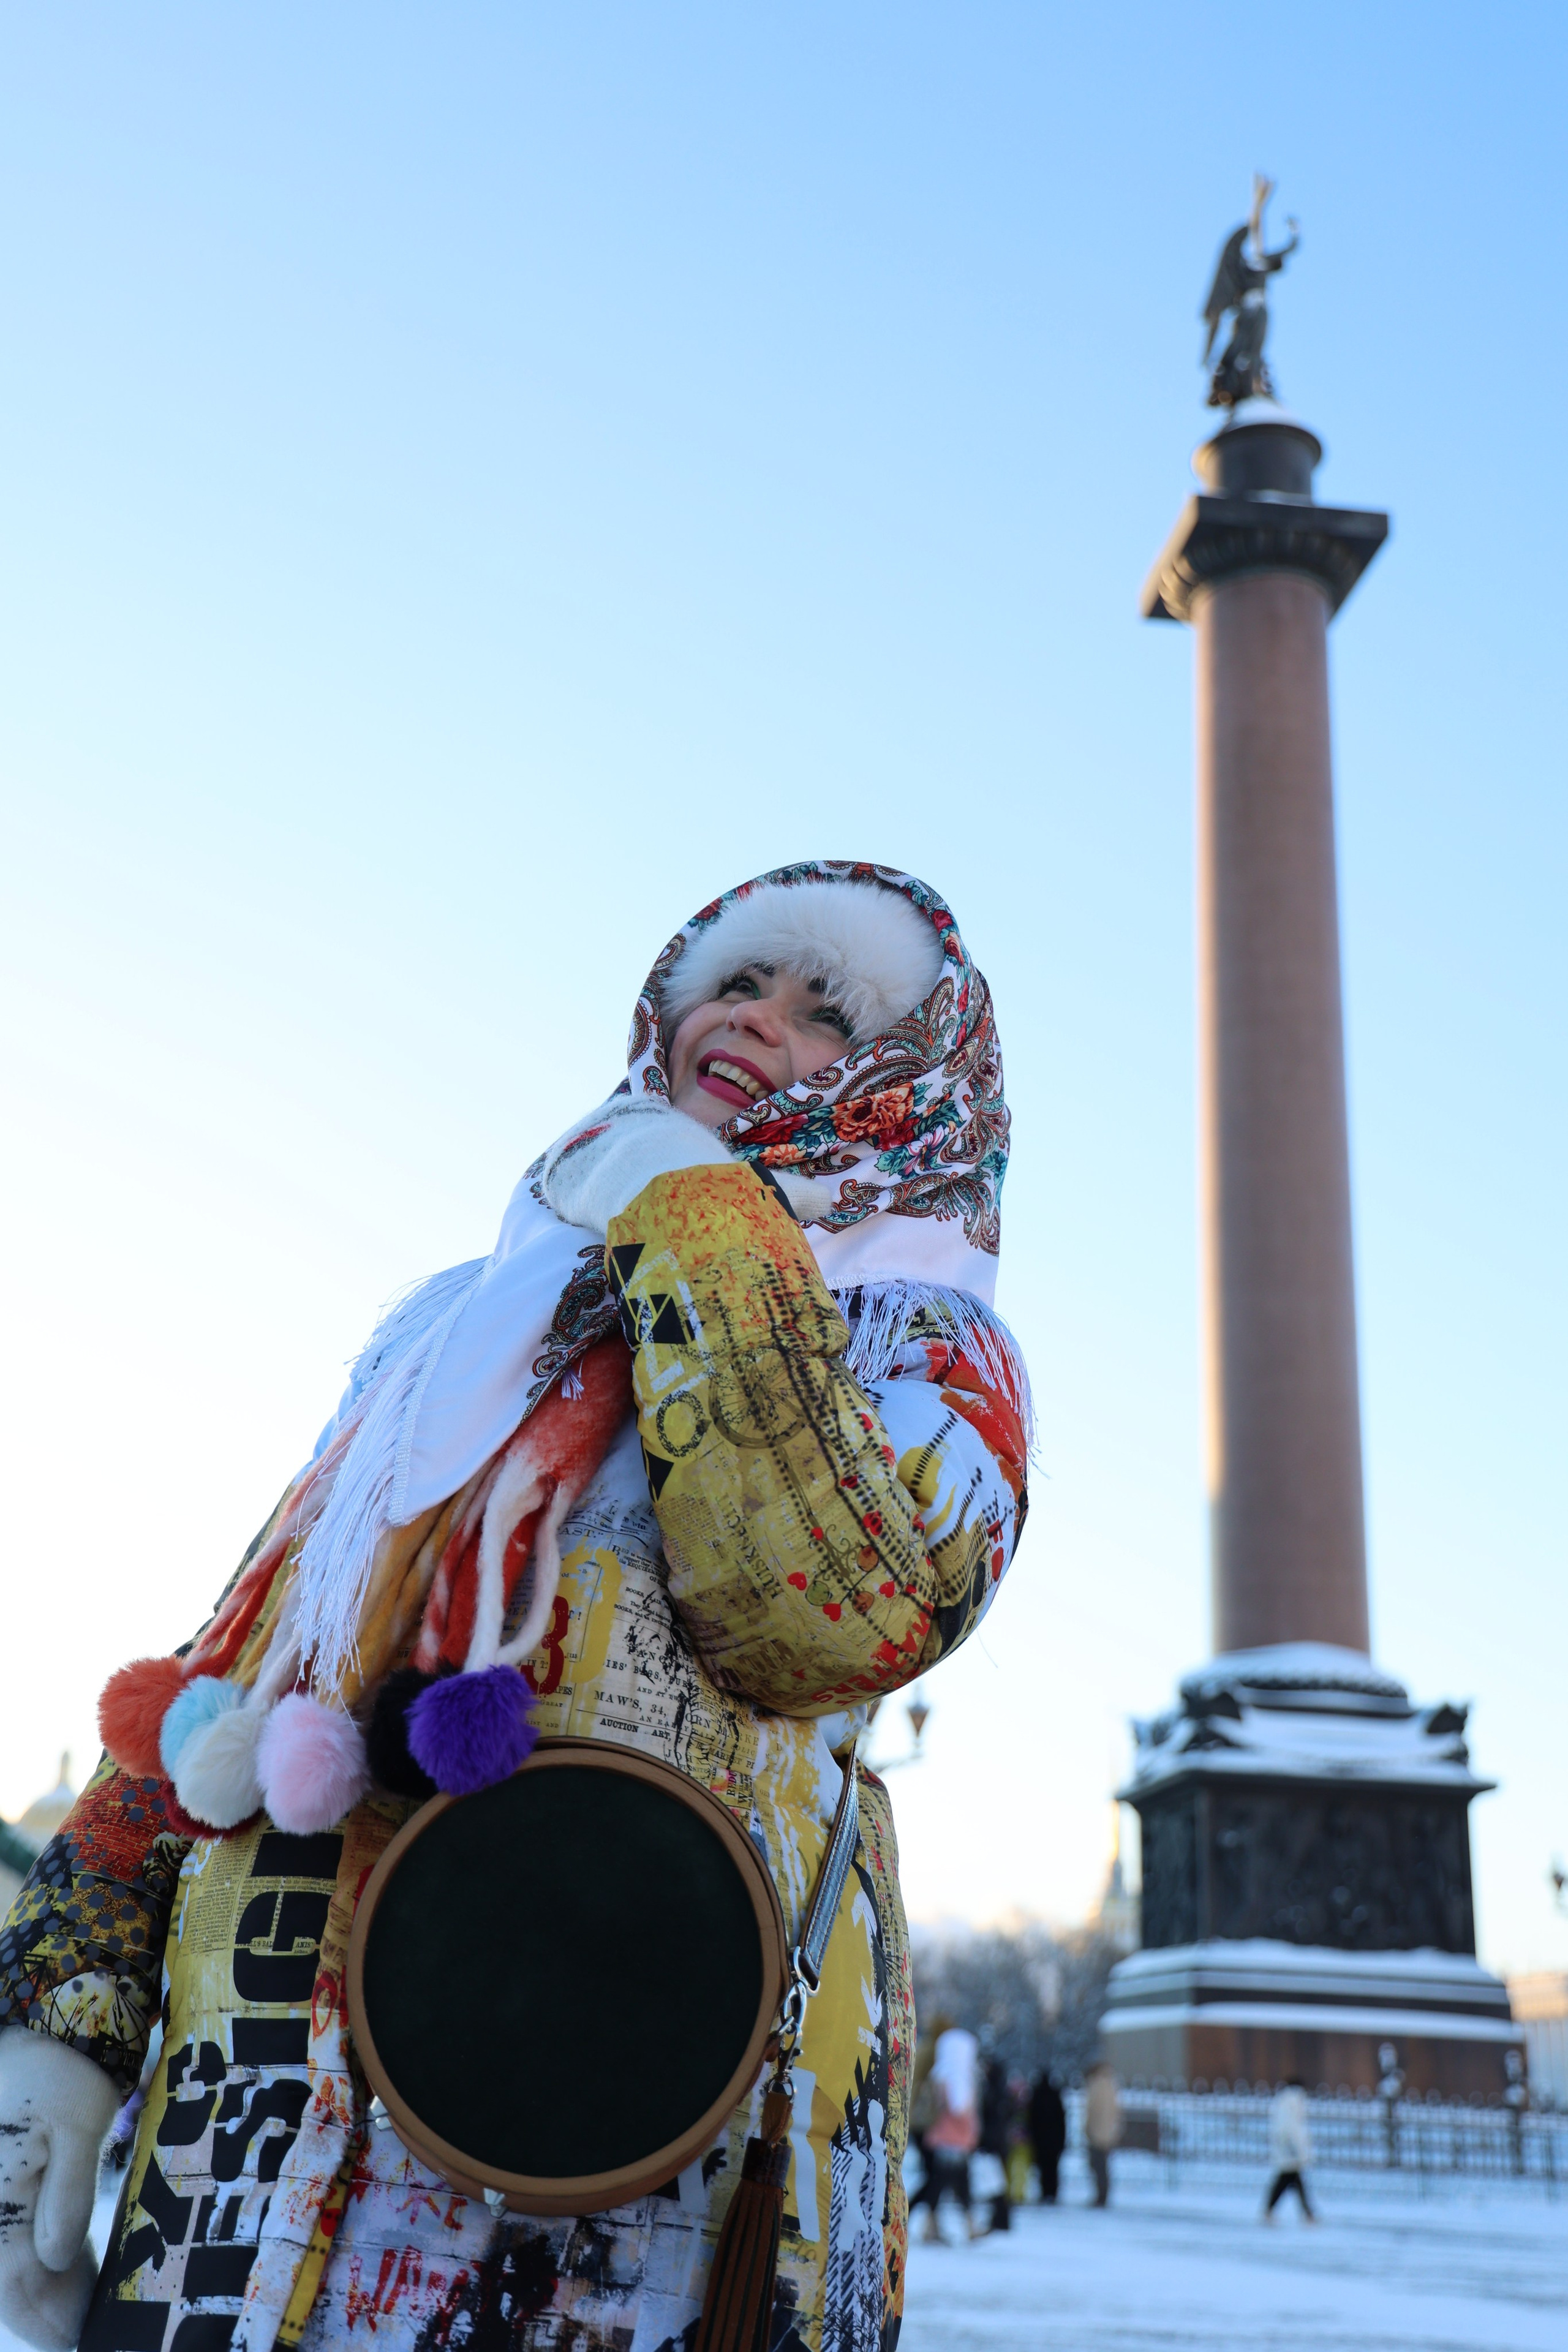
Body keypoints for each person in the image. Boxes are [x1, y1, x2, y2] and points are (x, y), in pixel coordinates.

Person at [0, 862, 1031, 2352]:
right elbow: (256, 1641)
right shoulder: (462, 1316)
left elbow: (821, 1618)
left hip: (623, 2154)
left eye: (825, 1011)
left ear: (906, 1085)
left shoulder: (924, 1344)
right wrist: (65, 2009)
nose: (754, 1018)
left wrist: (699, 1224)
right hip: (251, 2135)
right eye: (736, 983)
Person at [918, 2023, 982, 2242]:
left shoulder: (940, 2072)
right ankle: (965, 2226)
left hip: (942, 2137)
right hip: (954, 2139)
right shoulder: (958, 2074)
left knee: (942, 2183)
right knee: (953, 2183)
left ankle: (934, 2226)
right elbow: (959, 2108)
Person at [1263, 2078, 1317, 2222]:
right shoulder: (1292, 2102)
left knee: (1290, 2180)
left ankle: (1307, 2213)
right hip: (1290, 2149)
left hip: (1288, 2149)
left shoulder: (1286, 2101)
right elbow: (1290, 2127)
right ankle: (1308, 2213)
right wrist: (1295, 2147)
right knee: (1290, 2179)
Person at [977, 2048, 1015, 2232]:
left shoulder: (993, 2091)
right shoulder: (1001, 2090)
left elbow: (992, 2117)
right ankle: (1001, 2218)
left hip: (994, 2143)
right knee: (999, 2183)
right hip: (999, 2142)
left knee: (997, 2184)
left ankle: (1001, 2219)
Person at [1084, 2060, 1123, 2207]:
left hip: (1097, 2131)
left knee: (1097, 2166)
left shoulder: (1096, 2085)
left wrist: (1088, 2128)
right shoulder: (1111, 2084)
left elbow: (1091, 2110)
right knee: (1103, 2166)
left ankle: (1101, 2196)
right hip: (1108, 2132)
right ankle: (1103, 2195)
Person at [1028, 2069, 1067, 2204]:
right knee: (1053, 2168)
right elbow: (1062, 2121)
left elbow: (1032, 2120)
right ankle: (1053, 2192)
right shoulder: (1055, 2096)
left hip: (1040, 2140)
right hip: (1054, 2140)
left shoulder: (1036, 2096)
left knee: (1043, 2168)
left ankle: (1045, 2192)